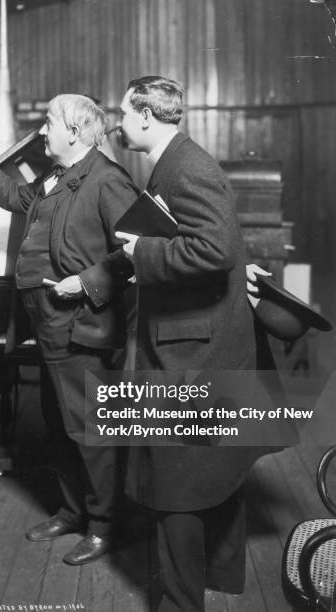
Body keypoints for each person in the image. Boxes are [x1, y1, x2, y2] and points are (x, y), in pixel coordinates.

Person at [0, 94, 138, 565]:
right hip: (46, 324)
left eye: (48, 123)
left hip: (81, 325)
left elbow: (139, 250)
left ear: (74, 131)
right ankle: (72, 511)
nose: (41, 132)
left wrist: (86, 282)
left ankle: (103, 525)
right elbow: (15, 197)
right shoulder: (54, 177)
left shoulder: (108, 180)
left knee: (89, 430)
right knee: (58, 424)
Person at [116, 76, 271, 611]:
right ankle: (223, 576)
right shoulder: (179, 161)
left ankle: (180, 604)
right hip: (205, 338)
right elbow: (219, 241)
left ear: (144, 116)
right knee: (217, 468)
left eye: (123, 114)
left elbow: (214, 249)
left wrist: (143, 255)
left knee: (175, 484)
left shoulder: (188, 166)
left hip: (195, 349)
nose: (118, 124)